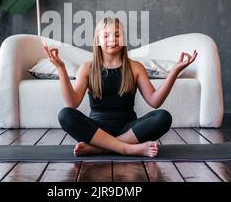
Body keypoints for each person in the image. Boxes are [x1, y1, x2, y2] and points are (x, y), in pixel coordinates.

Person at [43, 17, 197, 157]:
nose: (112, 39)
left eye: (117, 35)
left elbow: (155, 101)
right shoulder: (87, 68)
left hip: (129, 130)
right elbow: (72, 103)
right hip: (96, 131)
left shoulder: (136, 67)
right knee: (65, 115)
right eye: (106, 35)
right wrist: (61, 69)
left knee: (163, 117)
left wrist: (175, 71)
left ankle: (101, 149)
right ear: (97, 40)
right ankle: (127, 149)